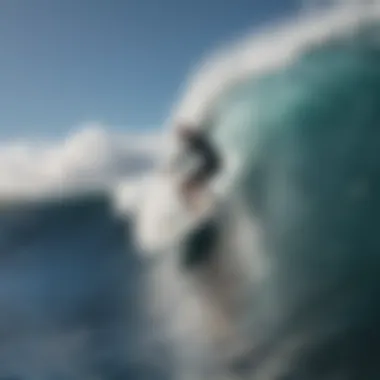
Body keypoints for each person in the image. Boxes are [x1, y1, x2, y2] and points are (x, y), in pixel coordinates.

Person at [176, 123, 222, 210]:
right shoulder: (196, 139)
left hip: (211, 165)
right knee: (189, 186)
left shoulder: (195, 140)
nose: (182, 138)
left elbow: (186, 156)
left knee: (184, 187)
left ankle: (195, 208)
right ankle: (202, 204)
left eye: (183, 135)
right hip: (211, 164)